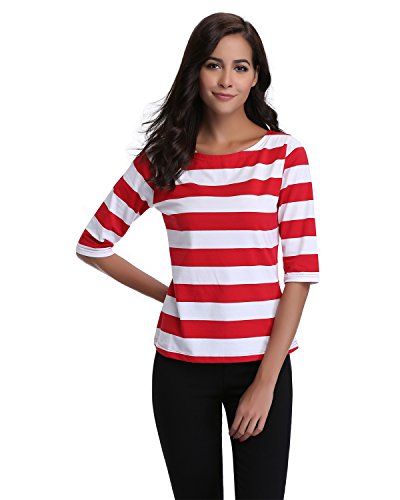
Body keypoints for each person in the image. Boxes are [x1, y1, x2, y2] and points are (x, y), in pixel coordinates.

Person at [76, 12, 320, 500]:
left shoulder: (284, 156)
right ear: (195, 70)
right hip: (181, 368)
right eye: (214, 65)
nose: (227, 80)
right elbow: (94, 244)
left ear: (256, 76)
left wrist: (266, 383)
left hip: (262, 363)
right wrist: (171, 295)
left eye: (241, 67)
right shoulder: (165, 157)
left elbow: (300, 274)